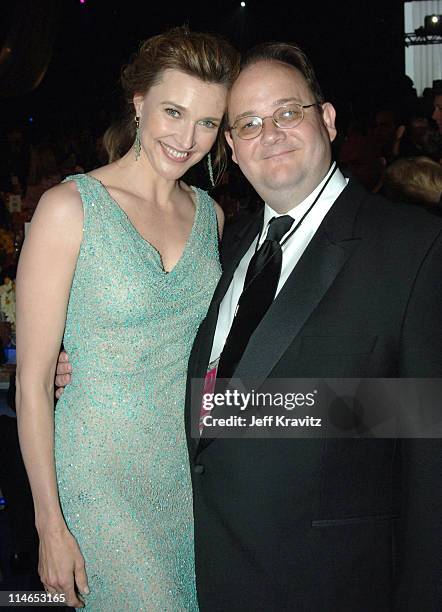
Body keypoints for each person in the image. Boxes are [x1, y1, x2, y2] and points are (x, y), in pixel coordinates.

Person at [57, 43, 442, 610]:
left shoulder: (414, 246)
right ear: (232, 148)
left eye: (288, 113)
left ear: (327, 120)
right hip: (197, 558)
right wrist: (101, 375)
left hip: (328, 584)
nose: (272, 133)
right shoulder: (226, 239)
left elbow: (425, 421)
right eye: (249, 123)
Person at [16, 26, 239, 610]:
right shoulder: (68, 209)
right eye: (173, 111)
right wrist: (49, 525)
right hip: (98, 475)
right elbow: (34, 382)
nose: (187, 137)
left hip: (186, 477)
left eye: (208, 122)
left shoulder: (210, 218)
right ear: (139, 104)